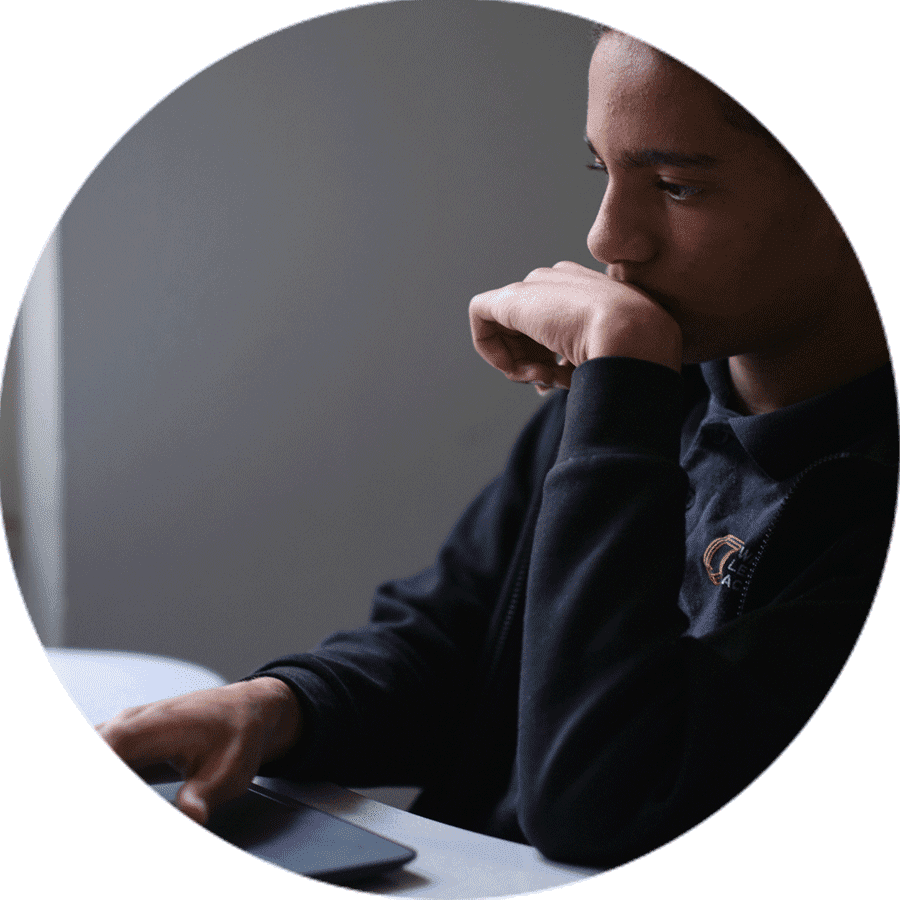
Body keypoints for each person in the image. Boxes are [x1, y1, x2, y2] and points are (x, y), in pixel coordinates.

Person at [98, 25, 898, 868]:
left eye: (677, 186)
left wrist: (621, 385)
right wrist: (280, 706)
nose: (607, 237)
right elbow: (455, 641)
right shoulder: (645, 394)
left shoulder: (658, 405)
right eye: (603, 171)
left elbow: (607, 798)